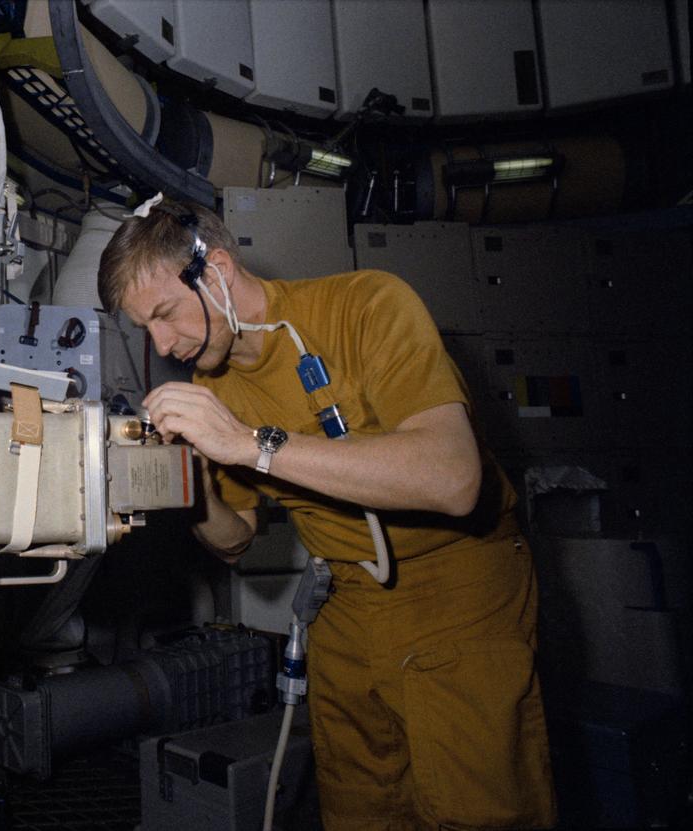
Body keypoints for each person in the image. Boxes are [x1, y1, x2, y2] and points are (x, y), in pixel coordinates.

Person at [98, 196, 557, 830]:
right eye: (145, 329)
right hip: (344, 609)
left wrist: (253, 446)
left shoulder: (367, 305)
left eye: (166, 315)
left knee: (478, 808)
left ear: (219, 271)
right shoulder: (215, 387)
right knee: (363, 808)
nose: (164, 345)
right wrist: (195, 486)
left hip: (456, 592)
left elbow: (453, 479)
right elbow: (234, 543)